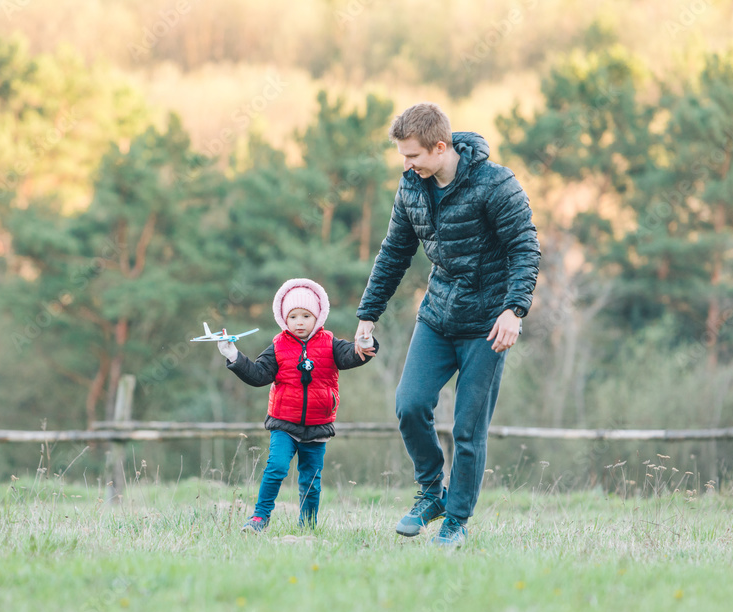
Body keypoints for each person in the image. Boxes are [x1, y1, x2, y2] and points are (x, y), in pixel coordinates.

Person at [353, 103, 540, 548]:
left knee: (467, 429)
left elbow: (526, 249)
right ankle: (431, 492)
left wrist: (514, 311)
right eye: (402, 156)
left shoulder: (496, 184)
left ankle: (456, 520)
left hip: (488, 325)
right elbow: (394, 253)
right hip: (437, 316)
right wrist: (367, 316)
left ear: (440, 147)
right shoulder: (411, 189)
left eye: (412, 156)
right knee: (409, 404)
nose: (406, 165)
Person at [218, 278, 379, 532]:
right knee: (276, 468)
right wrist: (234, 356)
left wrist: (367, 344)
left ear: (318, 317)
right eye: (293, 317)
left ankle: (307, 526)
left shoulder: (330, 344)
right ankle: (260, 517)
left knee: (311, 480)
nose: (300, 322)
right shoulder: (278, 347)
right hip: (284, 423)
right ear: (284, 319)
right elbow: (259, 375)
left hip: (318, 426)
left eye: (306, 315)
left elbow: (353, 355)